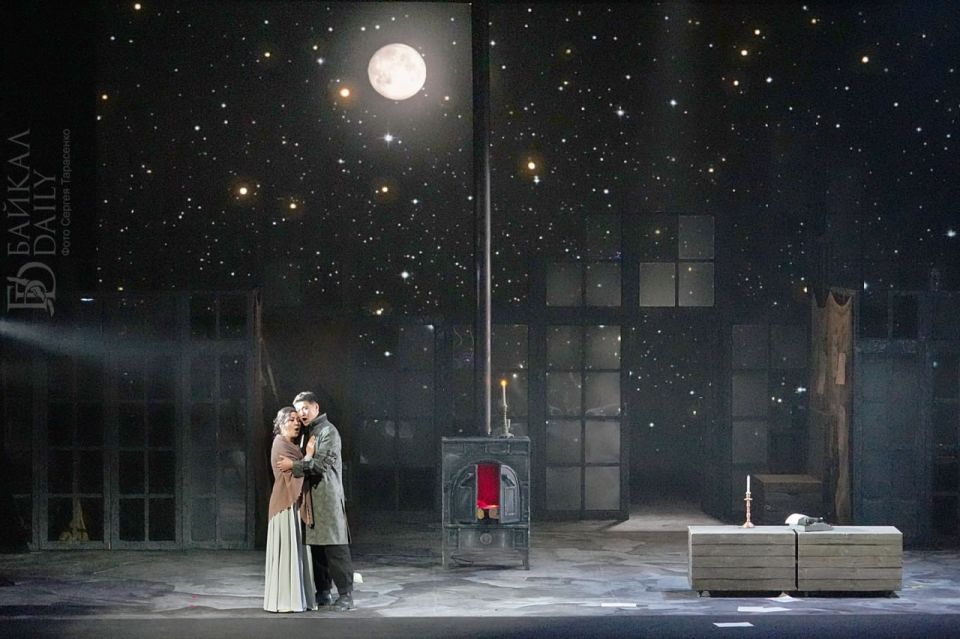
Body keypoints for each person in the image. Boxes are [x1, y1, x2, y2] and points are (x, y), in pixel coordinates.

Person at [277, 391, 355, 611]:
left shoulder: (328, 431)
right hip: (311, 498)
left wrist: (294, 466)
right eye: (298, 409)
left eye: (305, 408)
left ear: (316, 408)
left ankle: (346, 595)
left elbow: (321, 465)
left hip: (327, 498)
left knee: (335, 548)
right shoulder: (307, 432)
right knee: (317, 549)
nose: (302, 413)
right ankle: (323, 592)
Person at [264, 407, 317, 613]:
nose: (297, 423)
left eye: (297, 420)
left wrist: (299, 461)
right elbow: (296, 474)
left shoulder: (291, 446)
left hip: (292, 504)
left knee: (295, 550)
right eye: (292, 420)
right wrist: (308, 456)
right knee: (286, 551)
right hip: (285, 504)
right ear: (282, 423)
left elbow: (295, 468)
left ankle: (298, 598)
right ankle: (285, 601)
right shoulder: (280, 444)